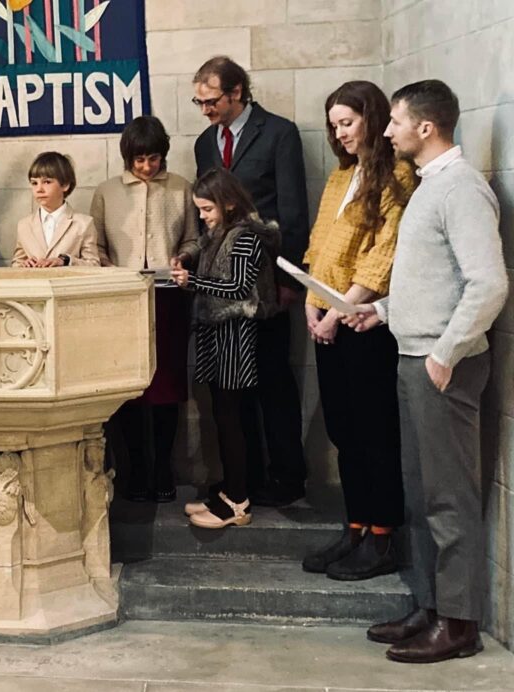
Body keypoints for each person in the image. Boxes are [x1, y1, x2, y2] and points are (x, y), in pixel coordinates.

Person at [345, 80, 508, 663]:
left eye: (394, 121)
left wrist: (445, 354)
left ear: (426, 127)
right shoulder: (429, 186)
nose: (385, 131)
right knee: (420, 494)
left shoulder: (461, 189)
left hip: (443, 366)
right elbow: (431, 278)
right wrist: (381, 310)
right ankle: (432, 606)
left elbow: (488, 284)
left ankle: (458, 625)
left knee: (449, 500)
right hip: (412, 355)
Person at [300, 81, 416, 581]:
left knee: (374, 434)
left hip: (366, 322)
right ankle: (356, 528)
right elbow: (320, 247)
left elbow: (383, 254)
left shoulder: (397, 176)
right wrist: (311, 304)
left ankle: (384, 538)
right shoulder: (338, 178)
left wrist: (338, 308)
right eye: (333, 125)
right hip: (328, 317)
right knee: (344, 431)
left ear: (372, 117)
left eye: (347, 122)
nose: (340, 132)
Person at [192, 56, 309, 507]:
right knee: (233, 390)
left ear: (237, 91)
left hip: (267, 283)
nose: (205, 110)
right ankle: (245, 479)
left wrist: (288, 281)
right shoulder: (206, 142)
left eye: (211, 100)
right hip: (225, 293)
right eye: (199, 102)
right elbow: (209, 219)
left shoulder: (279, 133)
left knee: (274, 380)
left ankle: (287, 477)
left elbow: (294, 211)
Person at [90, 115, 198, 502]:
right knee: (128, 386)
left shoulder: (181, 188)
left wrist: (182, 257)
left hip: (168, 295)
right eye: (139, 160)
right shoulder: (107, 192)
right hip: (123, 297)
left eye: (154, 158)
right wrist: (108, 270)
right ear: (127, 158)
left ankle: (162, 468)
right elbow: (96, 245)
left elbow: (193, 238)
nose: (147, 167)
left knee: (166, 383)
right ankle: (134, 468)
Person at [170, 168, 280, 529]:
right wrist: (185, 260)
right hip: (217, 332)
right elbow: (201, 247)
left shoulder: (246, 236)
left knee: (232, 419)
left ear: (229, 203)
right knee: (222, 414)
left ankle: (238, 501)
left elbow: (238, 288)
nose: (202, 217)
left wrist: (192, 281)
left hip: (235, 333)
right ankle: (230, 488)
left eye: (207, 210)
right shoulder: (220, 233)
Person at [12, 151, 100, 268]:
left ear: (65, 185)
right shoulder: (24, 225)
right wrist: (23, 265)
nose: (39, 189)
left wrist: (66, 261)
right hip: (34, 285)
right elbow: (16, 264)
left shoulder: (83, 223)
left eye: (47, 182)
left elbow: (94, 265)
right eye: (34, 183)